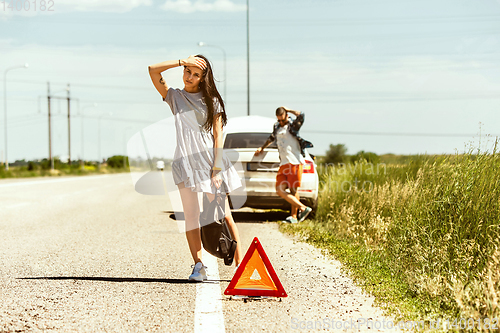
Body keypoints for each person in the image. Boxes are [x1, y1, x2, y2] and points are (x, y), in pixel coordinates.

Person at [148, 55, 243, 281]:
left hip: (210, 163)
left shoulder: (212, 102)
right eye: (187, 71)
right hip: (185, 164)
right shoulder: (175, 97)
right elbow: (152, 70)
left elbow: (218, 135)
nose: (189, 77)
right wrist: (182, 60)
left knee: (225, 215)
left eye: (195, 74)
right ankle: (199, 266)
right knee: (191, 217)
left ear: (203, 78)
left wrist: (216, 169)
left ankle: (241, 268)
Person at [254, 107, 313, 223]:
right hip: (284, 162)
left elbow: (302, 115)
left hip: (294, 161)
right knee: (279, 190)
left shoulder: (293, 125)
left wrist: (288, 109)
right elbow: (271, 138)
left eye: (282, 120)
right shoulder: (276, 126)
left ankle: (294, 217)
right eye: (279, 120)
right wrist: (262, 147)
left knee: (293, 190)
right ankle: (303, 208)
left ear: (286, 116)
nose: (281, 122)